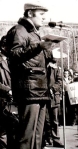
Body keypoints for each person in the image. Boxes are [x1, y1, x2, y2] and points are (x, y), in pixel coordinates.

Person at [5, 2, 54, 149]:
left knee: (38, 136)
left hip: (39, 89)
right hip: (29, 89)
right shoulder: (19, 31)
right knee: (27, 136)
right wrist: (39, 46)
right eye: (41, 14)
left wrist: (48, 53)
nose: (44, 18)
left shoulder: (34, 33)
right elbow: (14, 54)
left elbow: (34, 58)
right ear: (30, 13)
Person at [43, 58, 64, 147]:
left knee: (55, 120)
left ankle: (56, 139)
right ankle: (46, 138)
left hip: (54, 98)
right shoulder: (42, 69)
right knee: (45, 120)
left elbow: (59, 81)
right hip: (43, 97)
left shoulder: (56, 70)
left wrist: (53, 89)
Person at [0, 36, 16, 149]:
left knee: (13, 132)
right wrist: (8, 90)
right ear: (3, 47)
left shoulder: (12, 61)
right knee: (2, 134)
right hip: (1, 101)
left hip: (11, 102)